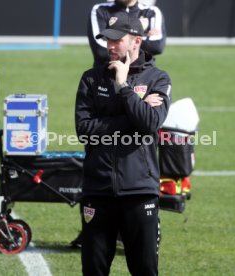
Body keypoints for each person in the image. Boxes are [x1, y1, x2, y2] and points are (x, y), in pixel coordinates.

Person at [75, 12, 171, 275]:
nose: (110, 45)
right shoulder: (90, 79)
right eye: (107, 39)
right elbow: (85, 131)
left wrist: (123, 86)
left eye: (117, 40)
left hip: (140, 193)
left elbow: (151, 123)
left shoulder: (157, 79)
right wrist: (133, 116)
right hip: (98, 191)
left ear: (136, 42)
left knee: (145, 271)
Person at [88, 0, 166, 67]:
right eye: (109, 39)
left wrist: (121, 41)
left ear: (138, 41)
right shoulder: (100, 9)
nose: (111, 46)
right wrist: (142, 34)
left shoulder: (151, 12)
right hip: (105, 75)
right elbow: (100, 50)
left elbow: (157, 46)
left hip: (143, 77)